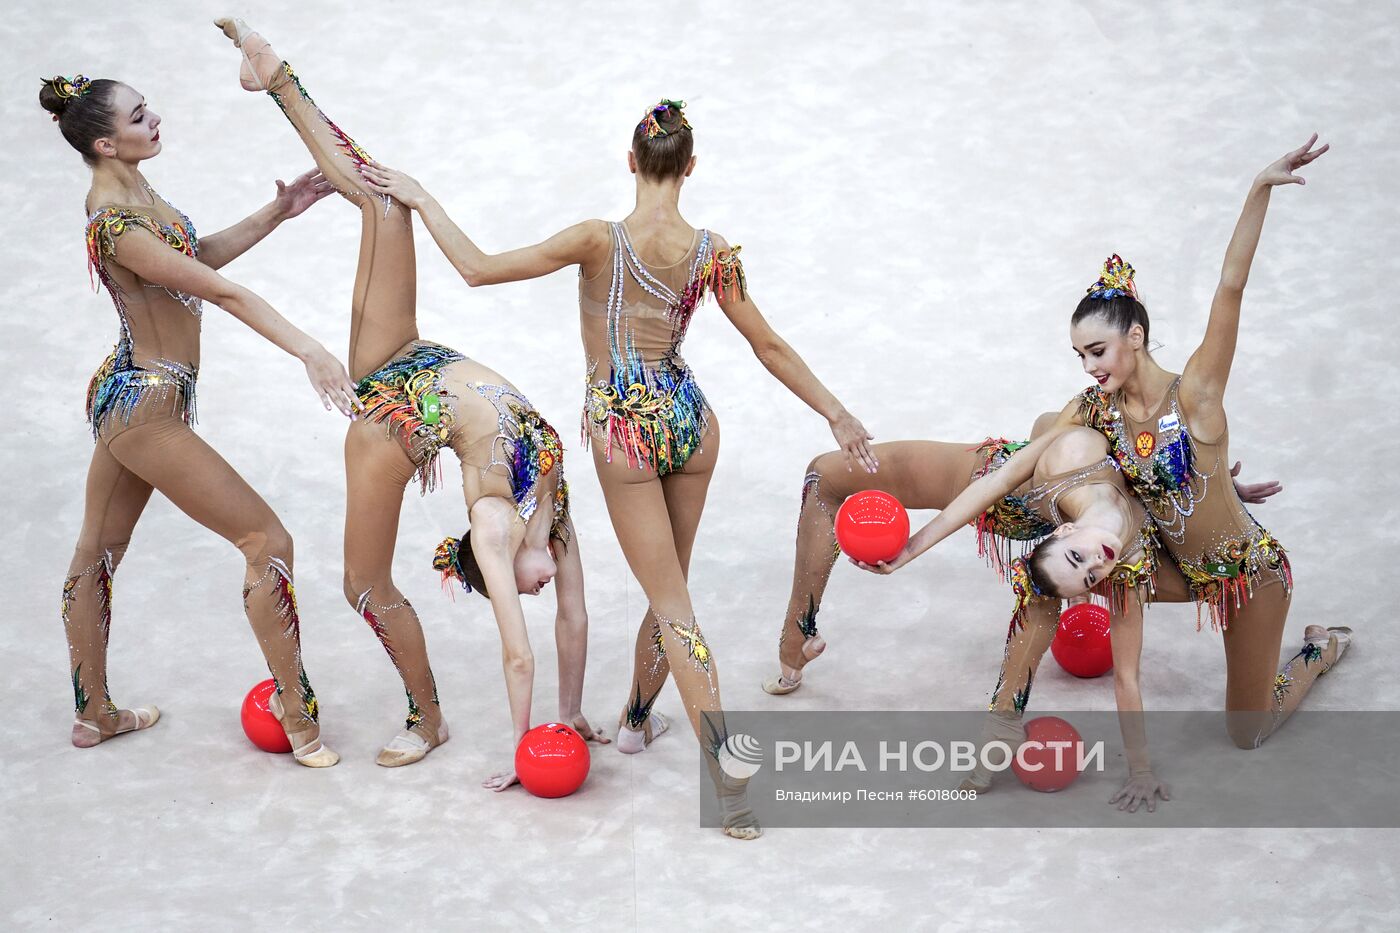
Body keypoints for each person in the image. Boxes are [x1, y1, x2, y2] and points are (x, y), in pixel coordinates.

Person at [358, 99, 877, 839]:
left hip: (625, 431)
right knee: (673, 588)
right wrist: (835, 411)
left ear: (631, 161)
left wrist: (418, 196)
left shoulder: (597, 240)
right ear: (689, 168)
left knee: (673, 607)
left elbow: (475, 268)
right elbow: (771, 346)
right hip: (691, 421)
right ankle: (636, 718)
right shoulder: (711, 253)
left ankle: (730, 787)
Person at [216, 20, 606, 786]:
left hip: (390, 420)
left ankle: (426, 715)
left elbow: (542, 634)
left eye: (522, 586)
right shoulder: (548, 521)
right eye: (530, 585)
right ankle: (277, 77)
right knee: (388, 204)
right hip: (412, 358)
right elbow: (559, 626)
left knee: (361, 584)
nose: (539, 585)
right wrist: (558, 725)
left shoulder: (498, 529)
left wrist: (544, 735)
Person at [43, 70, 358, 766]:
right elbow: (218, 289)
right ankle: (298, 717)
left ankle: (93, 714)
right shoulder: (115, 224)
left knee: (97, 551)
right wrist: (308, 349)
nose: (154, 120)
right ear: (106, 142)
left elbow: (194, 258)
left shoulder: (137, 191)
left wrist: (278, 212)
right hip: (146, 411)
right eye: (137, 116)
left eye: (147, 105)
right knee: (267, 539)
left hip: (137, 398)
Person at [1050, 136, 1349, 750]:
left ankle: (1321, 650)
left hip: (1246, 575)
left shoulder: (1197, 396)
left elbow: (1229, 290)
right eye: (1079, 355)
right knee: (1080, 558)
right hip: (1177, 569)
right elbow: (1042, 454)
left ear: (1136, 336)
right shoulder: (1097, 412)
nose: (1088, 367)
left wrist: (1258, 189)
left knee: (1249, 730)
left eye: (1097, 352)